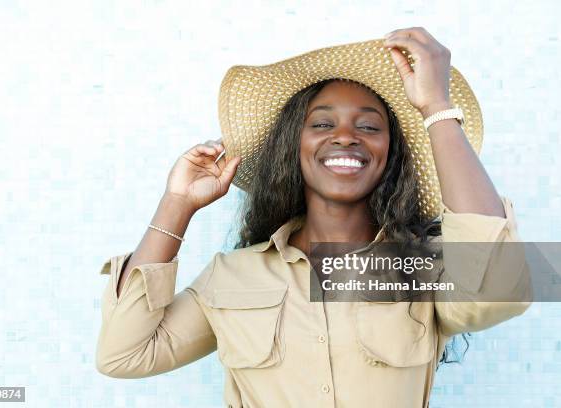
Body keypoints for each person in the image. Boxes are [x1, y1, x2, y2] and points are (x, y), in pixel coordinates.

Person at [95, 27, 532, 407]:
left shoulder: (419, 266)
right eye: (322, 124)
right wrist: (178, 203)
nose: (345, 137)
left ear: (391, 154)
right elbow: (124, 354)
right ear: (294, 147)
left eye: (369, 126)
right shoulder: (230, 276)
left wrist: (436, 108)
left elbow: (500, 290)